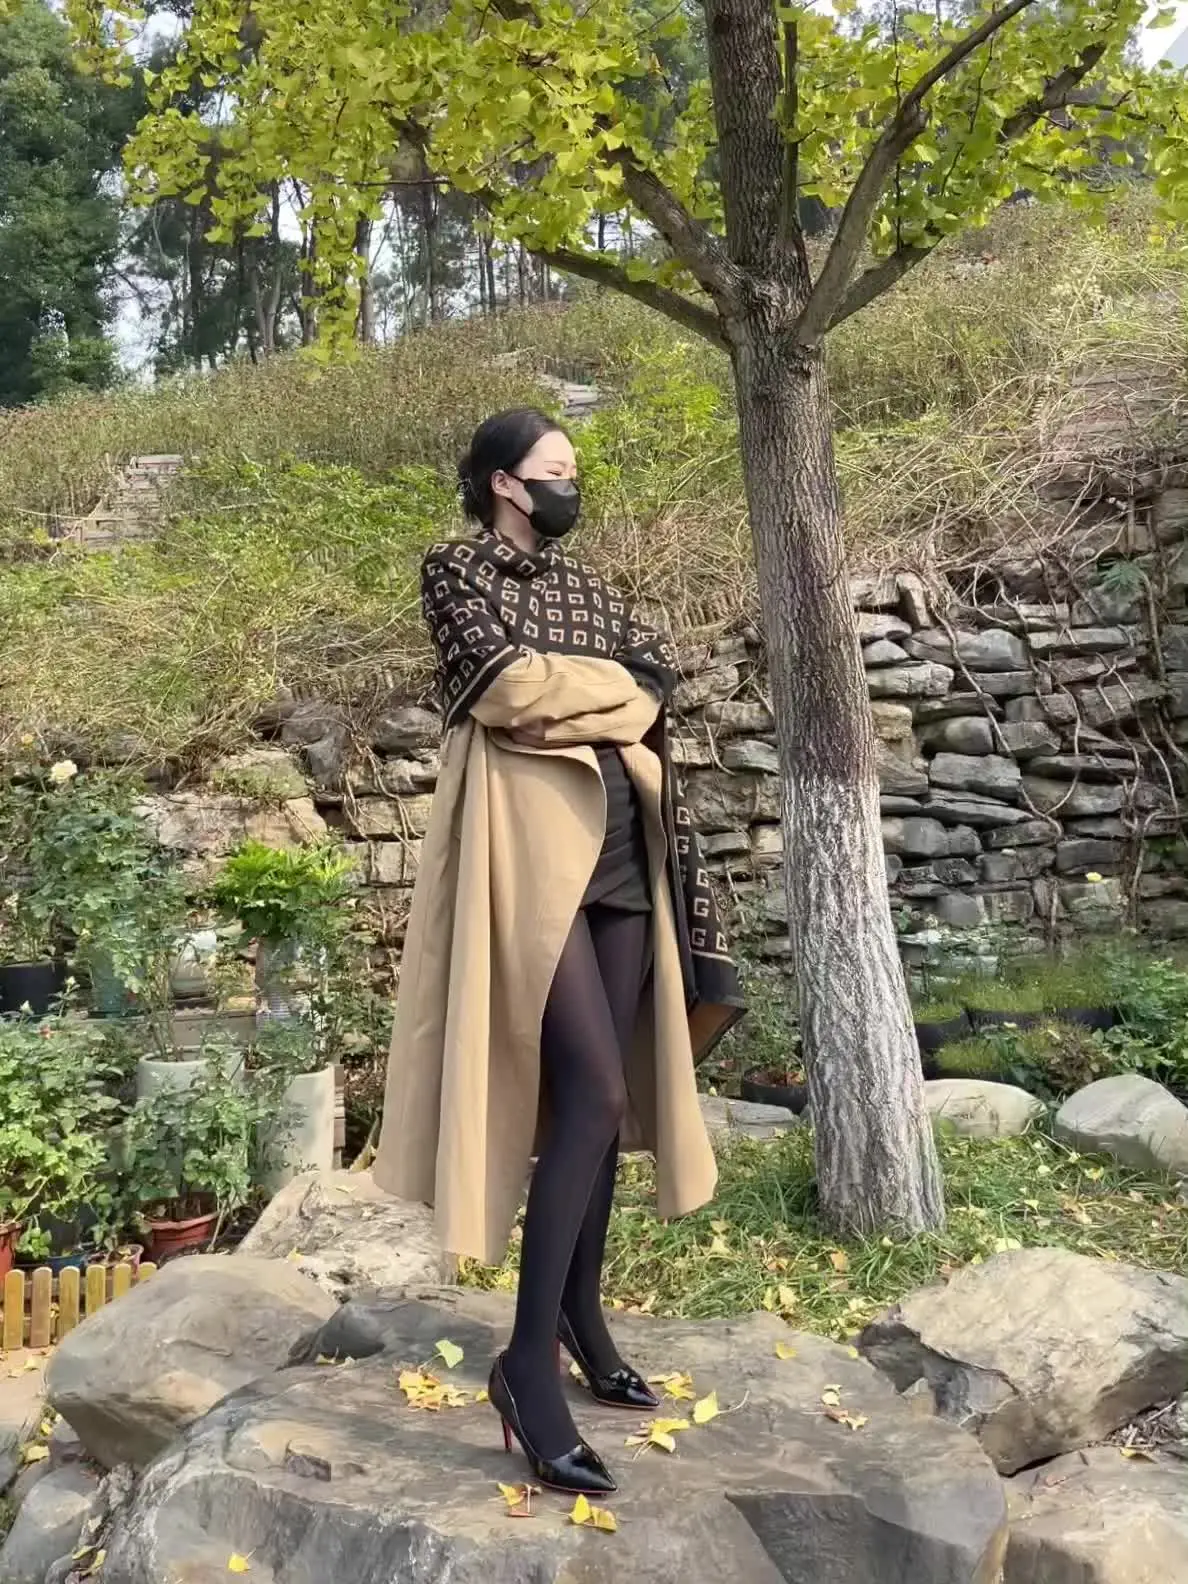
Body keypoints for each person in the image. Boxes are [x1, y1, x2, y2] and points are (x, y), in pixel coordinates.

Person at [373, 408, 744, 1496]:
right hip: (531, 857)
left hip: (626, 853)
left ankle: (582, 1312)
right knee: (588, 1091)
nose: (570, 485)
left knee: (608, 1097)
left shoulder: (590, 585)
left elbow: (655, 682)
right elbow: (502, 689)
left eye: (572, 471)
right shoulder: (455, 570)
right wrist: (608, 697)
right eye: (554, 471)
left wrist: (594, 697)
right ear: (504, 482)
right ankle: (524, 1365)